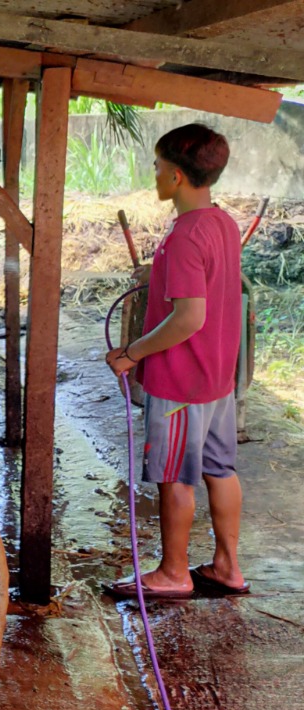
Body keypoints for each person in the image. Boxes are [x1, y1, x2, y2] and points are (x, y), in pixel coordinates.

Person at [106, 123, 247, 599]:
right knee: (219, 469)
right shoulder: (223, 223)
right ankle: (228, 567)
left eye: (159, 165)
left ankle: (173, 572)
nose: (155, 172)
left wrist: (131, 353)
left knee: (174, 476)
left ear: (178, 177)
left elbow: (188, 318)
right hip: (217, 378)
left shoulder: (186, 235)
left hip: (182, 380)